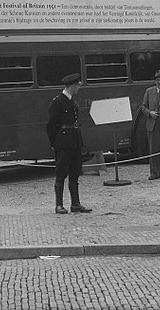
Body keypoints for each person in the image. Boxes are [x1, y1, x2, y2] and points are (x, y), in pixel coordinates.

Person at [46, 73, 91, 214]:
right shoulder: (58, 101)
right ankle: (59, 205)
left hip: (74, 141)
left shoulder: (71, 100)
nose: (78, 88)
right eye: (77, 86)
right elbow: (51, 125)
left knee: (75, 172)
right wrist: (55, 143)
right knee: (61, 173)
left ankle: (75, 204)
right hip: (64, 143)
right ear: (72, 86)